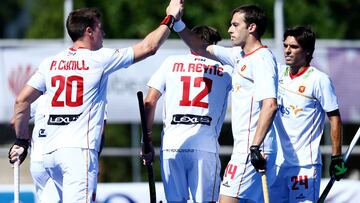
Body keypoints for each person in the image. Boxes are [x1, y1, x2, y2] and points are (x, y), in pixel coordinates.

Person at [8, 3, 183, 202]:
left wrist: (21, 140)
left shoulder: (51, 63)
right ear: (89, 31)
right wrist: (170, 18)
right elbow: (149, 47)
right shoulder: (99, 58)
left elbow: (22, 100)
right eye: (100, 28)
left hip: (46, 156)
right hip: (77, 153)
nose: (104, 33)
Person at [169, 2, 279, 202]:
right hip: (246, 147)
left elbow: (270, 105)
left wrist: (255, 147)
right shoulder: (239, 55)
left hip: (253, 148)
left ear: (252, 27)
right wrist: (177, 22)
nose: (229, 29)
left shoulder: (262, 59)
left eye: (235, 25)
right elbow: (200, 47)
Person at [143, 25, 232, 202]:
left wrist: (146, 141)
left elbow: (149, 101)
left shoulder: (170, 62)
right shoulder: (226, 69)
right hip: (204, 147)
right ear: (213, 45)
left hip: (171, 146)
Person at [271, 26, 347, 202]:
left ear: (307, 51)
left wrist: (336, 157)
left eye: (294, 47)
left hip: (305, 164)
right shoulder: (277, 73)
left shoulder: (319, 79)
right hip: (277, 164)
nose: (287, 51)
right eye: (285, 46)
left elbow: (334, 118)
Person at [29, 94, 60, 203]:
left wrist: (21, 141)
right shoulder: (82, 95)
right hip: (58, 157)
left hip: (37, 159)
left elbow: (17, 118)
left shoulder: (40, 99)